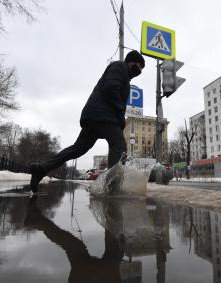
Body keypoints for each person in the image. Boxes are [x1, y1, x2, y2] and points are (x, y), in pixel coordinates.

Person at [30, 50, 145, 192]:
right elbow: (110, 89)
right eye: (140, 66)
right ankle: (113, 187)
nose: (140, 71)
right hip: (104, 115)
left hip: (95, 115)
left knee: (77, 149)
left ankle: (41, 168)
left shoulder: (123, 73)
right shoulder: (119, 67)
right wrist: (120, 111)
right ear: (132, 62)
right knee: (119, 147)